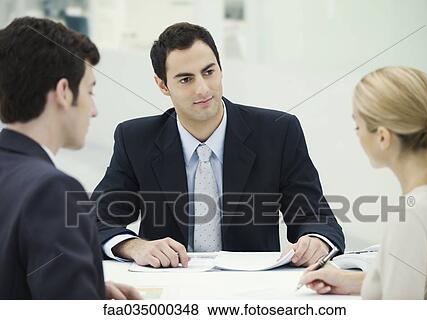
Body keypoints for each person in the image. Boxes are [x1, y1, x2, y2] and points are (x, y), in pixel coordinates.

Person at [93, 22, 345, 268]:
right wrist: (135, 246)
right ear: (162, 85)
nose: (202, 88)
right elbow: (95, 220)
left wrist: (316, 242)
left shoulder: (278, 131)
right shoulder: (135, 138)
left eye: (208, 72)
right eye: (185, 79)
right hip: (169, 284)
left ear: (220, 69)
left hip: (252, 288)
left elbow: (317, 218)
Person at [0, 17, 141, 299]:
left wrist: (87, 289)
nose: (93, 110)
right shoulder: (53, 190)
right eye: (89, 91)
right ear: (64, 92)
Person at [299, 66, 427, 299]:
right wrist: (350, 281)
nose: (357, 135)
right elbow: (418, 279)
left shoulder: (412, 218)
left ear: (382, 137)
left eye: (358, 126)